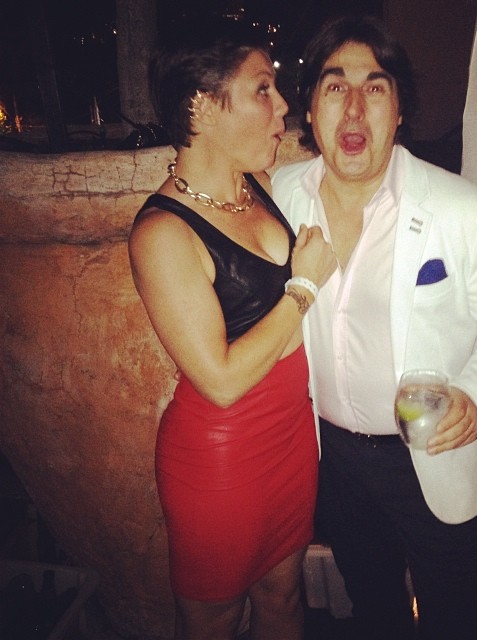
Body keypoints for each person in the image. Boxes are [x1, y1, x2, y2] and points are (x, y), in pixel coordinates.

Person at [272, 15, 477, 640]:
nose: (354, 108)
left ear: (399, 111)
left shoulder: (465, 211)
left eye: (375, 87)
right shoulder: (282, 196)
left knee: (454, 616)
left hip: (430, 453)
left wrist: (474, 397)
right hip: (333, 460)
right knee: (372, 609)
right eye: (335, 87)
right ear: (310, 110)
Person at [128, 24, 336, 640]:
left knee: (284, 597)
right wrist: (304, 287)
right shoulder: (162, 233)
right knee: (213, 622)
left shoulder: (261, 188)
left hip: (291, 442)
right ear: (201, 106)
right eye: (262, 89)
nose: (282, 106)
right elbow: (218, 381)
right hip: (221, 461)